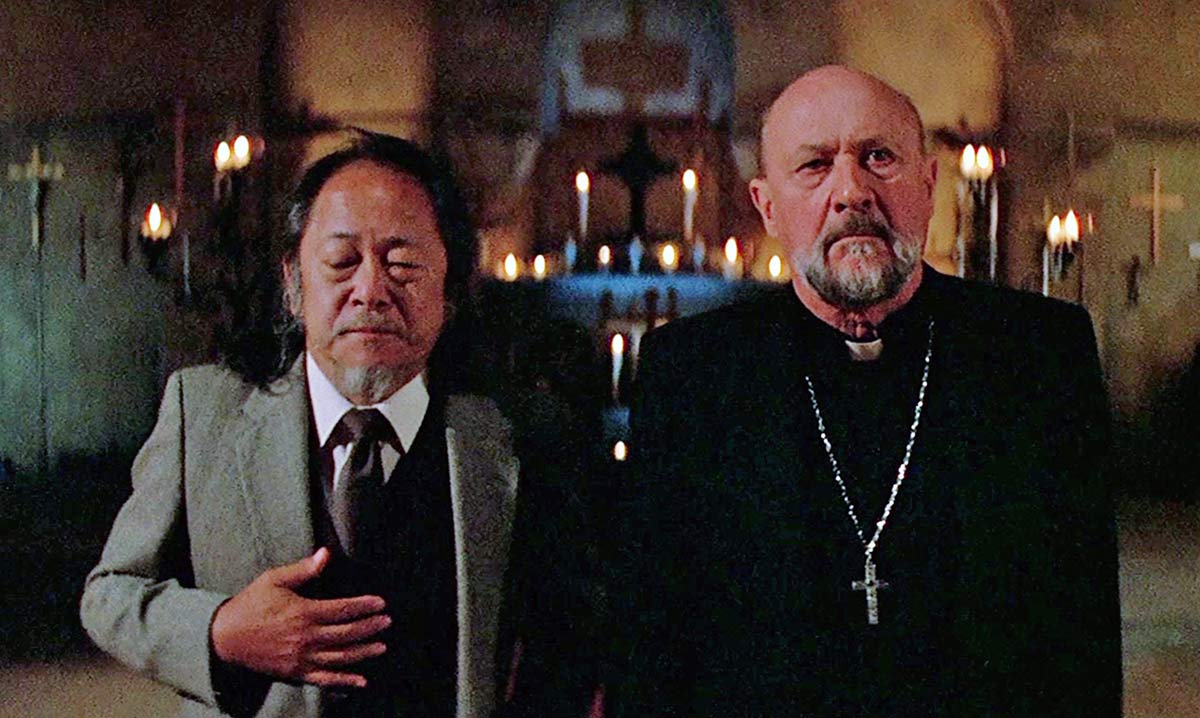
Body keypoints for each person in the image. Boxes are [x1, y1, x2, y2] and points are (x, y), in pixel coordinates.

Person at [605, 65, 1122, 716]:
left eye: (878, 157)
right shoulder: (692, 373)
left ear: (928, 185)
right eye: (815, 165)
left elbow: (1084, 633)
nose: (852, 192)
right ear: (768, 207)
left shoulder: (1040, 355)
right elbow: (649, 644)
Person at [81, 132, 582, 718]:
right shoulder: (205, 413)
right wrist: (220, 630)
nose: (370, 291)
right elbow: (110, 594)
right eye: (342, 262)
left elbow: (567, 643)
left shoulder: (519, 435)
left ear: (450, 288)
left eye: (403, 264)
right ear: (294, 284)